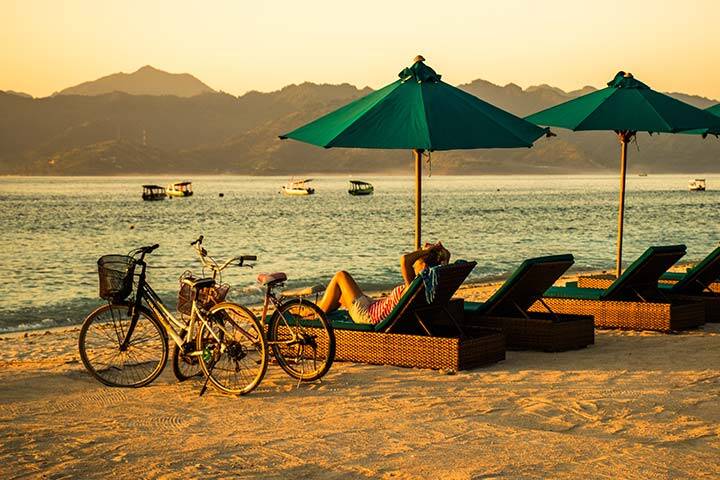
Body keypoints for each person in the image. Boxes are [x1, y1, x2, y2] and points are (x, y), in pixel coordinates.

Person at [317, 243, 451, 325]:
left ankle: (313, 318)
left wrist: (428, 250)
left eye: (418, 256)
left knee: (341, 275)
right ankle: (310, 312)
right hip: (374, 306)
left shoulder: (414, 284)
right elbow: (445, 260)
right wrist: (440, 252)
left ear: (423, 264)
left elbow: (404, 260)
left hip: (368, 315)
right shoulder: (431, 284)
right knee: (338, 296)